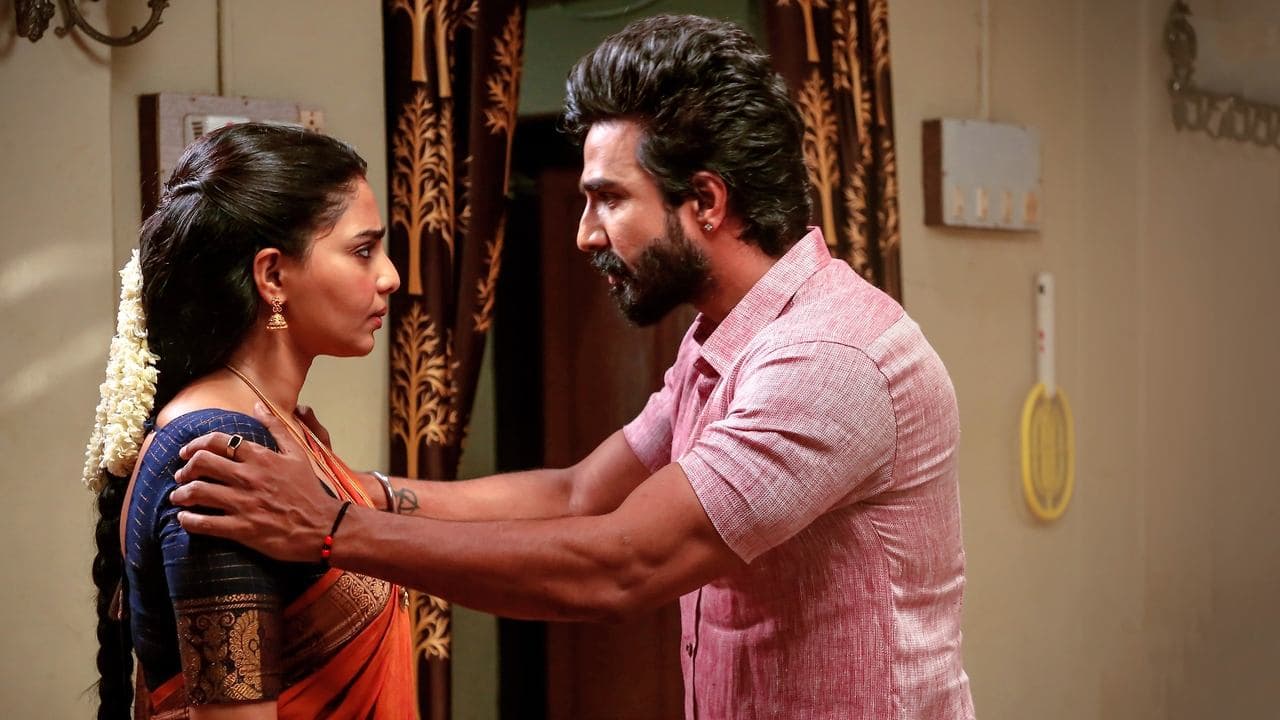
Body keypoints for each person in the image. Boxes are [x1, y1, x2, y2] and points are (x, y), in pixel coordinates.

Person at [171, 15, 975, 719]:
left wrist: (332, 529)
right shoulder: (722, 338)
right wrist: (360, 491)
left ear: (706, 201)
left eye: (610, 199)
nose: (585, 234)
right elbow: (579, 493)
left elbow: (621, 565)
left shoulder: (826, 360)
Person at [83, 123, 414, 719]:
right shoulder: (220, 454)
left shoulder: (280, 430)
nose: (389, 276)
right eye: (363, 251)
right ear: (273, 277)